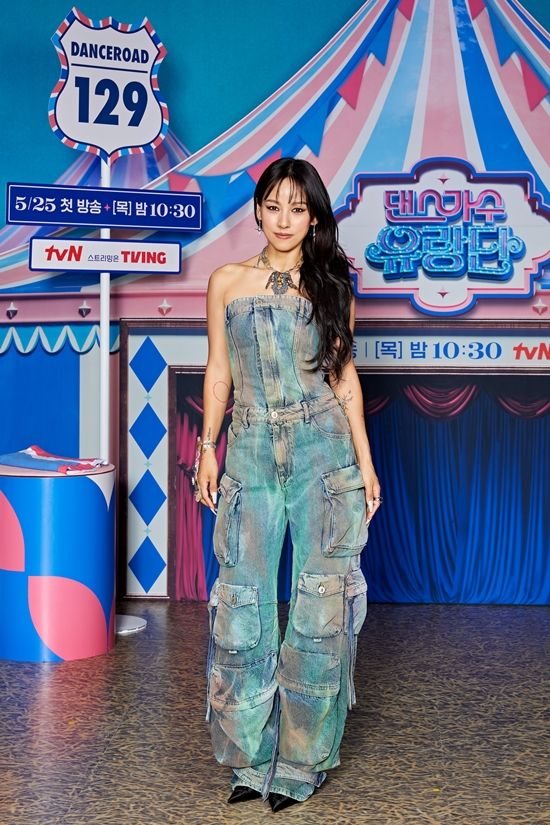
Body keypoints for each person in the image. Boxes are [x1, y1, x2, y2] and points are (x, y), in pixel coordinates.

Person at [194, 157, 381, 812]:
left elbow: (344, 378)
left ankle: (304, 761)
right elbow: (219, 371)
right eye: (273, 206)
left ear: (314, 218)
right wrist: (208, 448)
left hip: (322, 452)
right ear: (257, 210)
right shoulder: (225, 281)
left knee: (320, 606)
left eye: (298, 209)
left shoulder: (332, 286)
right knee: (240, 601)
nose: (284, 220)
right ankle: (248, 760)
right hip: (247, 448)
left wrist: (365, 462)